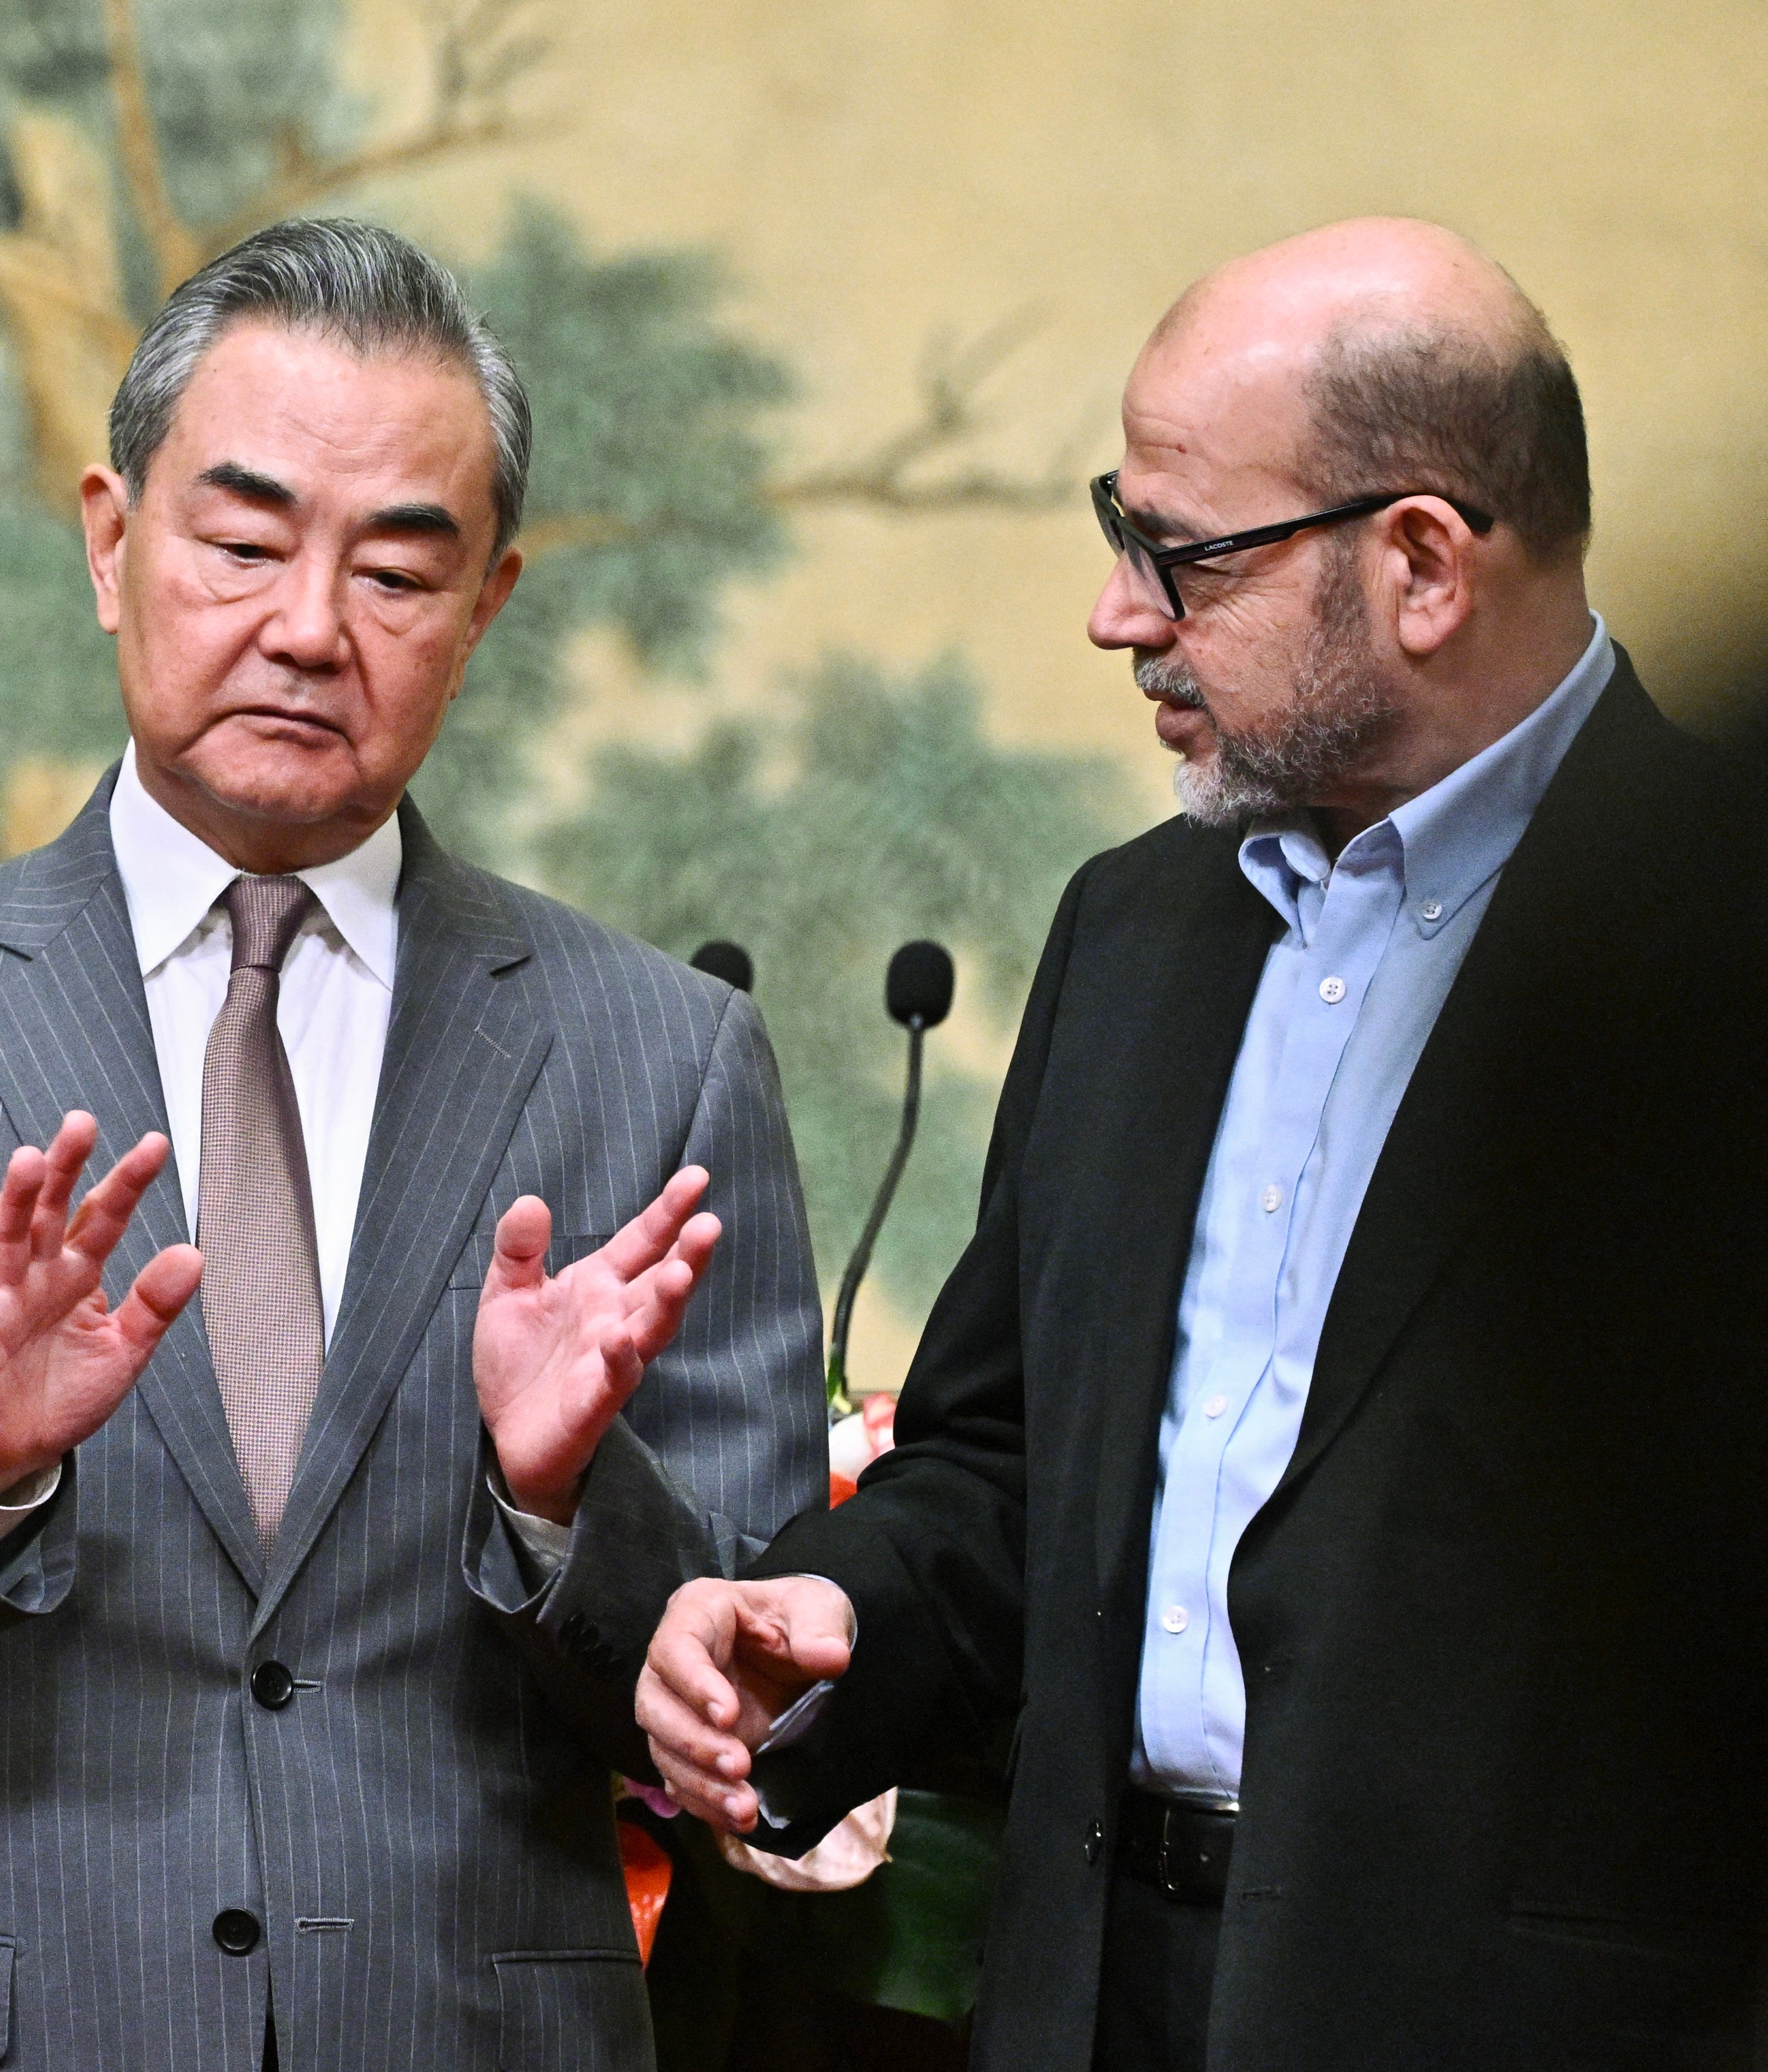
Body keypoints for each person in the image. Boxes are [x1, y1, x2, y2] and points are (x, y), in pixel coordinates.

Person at [0, 218, 825, 2070]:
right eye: (241, 544)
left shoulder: (662, 1053)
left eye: (400, 572)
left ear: (485, 609)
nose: (309, 626)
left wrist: (566, 1505)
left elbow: (772, 1713)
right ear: (110, 540)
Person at [636, 217, 1768, 2071]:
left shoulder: (1710, 955)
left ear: (1420, 564)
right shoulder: (1135, 930)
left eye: (1183, 555)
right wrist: (837, 1609)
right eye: (1120, 530)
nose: (1119, 613)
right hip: (1099, 1996)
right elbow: (1004, 1465)